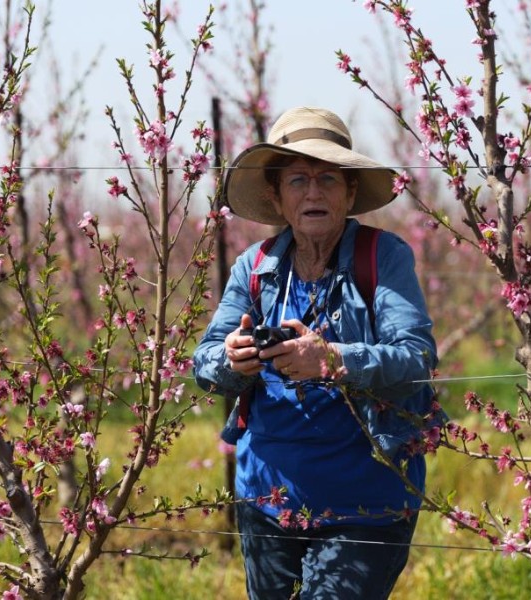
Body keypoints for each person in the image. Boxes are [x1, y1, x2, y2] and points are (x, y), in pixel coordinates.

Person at [192, 106, 442, 599]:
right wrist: (233, 358)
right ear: (276, 196)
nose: (313, 192)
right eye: (298, 179)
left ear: (350, 193)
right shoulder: (256, 266)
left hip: (366, 505)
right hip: (266, 498)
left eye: (328, 178)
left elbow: (415, 357)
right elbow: (204, 363)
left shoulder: (382, 257)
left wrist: (334, 359)